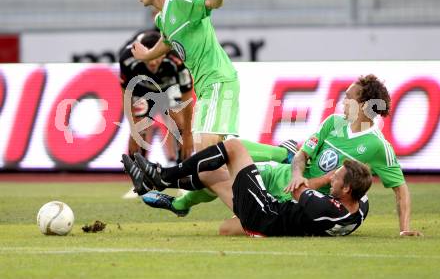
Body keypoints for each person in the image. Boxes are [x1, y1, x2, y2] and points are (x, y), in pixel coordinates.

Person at [125, 74, 422, 237]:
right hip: (287, 180)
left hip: (299, 198)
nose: (343, 100)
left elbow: (401, 190)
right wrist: (295, 171)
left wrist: (405, 228)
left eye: (350, 97)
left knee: (226, 222)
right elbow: (303, 154)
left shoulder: (377, 146)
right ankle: (174, 195)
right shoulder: (334, 123)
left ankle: (172, 192)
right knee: (224, 160)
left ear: (365, 105)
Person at [129, 0, 240, 209]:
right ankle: (245, 212)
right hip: (206, 88)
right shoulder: (161, 18)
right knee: (207, 166)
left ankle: (279, 161)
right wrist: (147, 55)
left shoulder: (181, 0)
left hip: (218, 81)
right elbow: (167, 41)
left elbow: (208, 3)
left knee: (208, 161)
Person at [122, 139, 372, 237]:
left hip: (265, 213)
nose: (330, 179)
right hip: (271, 223)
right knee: (214, 177)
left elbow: (295, 187)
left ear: (347, 189)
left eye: (335, 178)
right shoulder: (359, 209)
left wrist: (299, 171)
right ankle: (153, 186)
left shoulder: (323, 206)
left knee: (234, 148)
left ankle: (163, 177)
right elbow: (361, 197)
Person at [119, 30, 193, 162]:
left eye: (156, 57)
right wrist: (133, 130)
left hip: (169, 87)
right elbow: (126, 96)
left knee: (180, 123)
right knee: (140, 128)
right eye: (148, 58)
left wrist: (187, 134)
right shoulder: (127, 59)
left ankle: (183, 173)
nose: (152, 63)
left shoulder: (178, 58)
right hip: (143, 88)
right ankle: (139, 176)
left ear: (164, 52)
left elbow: (187, 97)